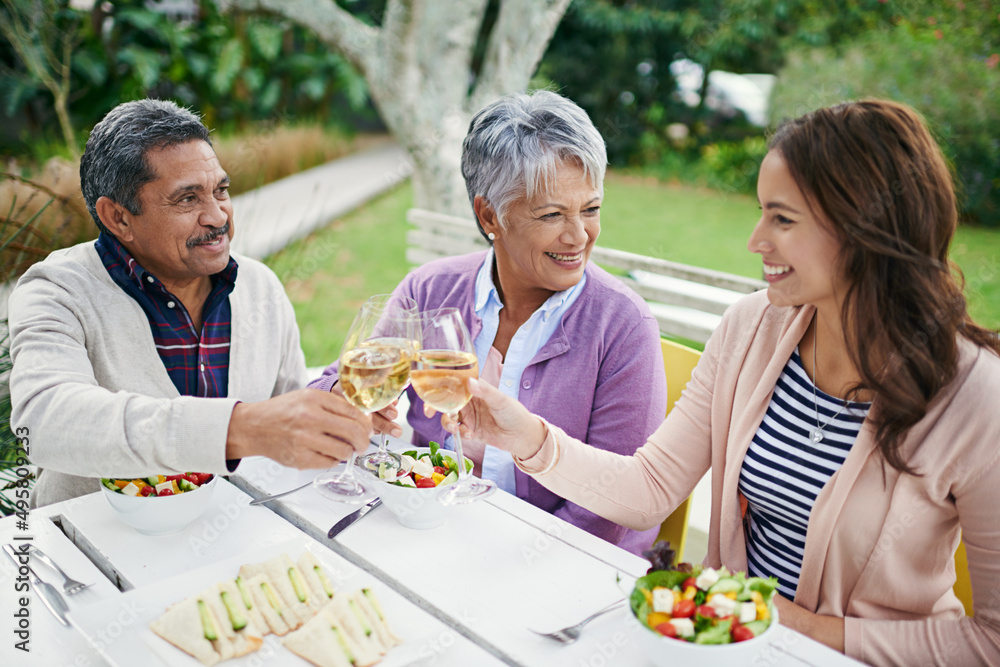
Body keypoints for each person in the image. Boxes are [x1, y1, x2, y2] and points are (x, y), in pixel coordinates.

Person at [433, 99, 1000, 665]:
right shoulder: (751, 328)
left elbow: (989, 642)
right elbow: (648, 487)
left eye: (782, 218)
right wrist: (527, 437)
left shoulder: (977, 397)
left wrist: (795, 627)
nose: (756, 240)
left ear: (863, 229)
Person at [310, 90, 667, 553]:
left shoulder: (623, 325)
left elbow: (612, 506)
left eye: (591, 209)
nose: (579, 235)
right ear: (489, 215)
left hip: (562, 563)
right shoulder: (429, 293)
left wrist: (503, 560)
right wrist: (347, 400)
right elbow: (328, 391)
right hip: (434, 531)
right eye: (552, 214)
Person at [9, 99, 372, 507]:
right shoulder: (56, 290)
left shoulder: (260, 286)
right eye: (187, 199)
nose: (218, 217)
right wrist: (237, 428)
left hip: (233, 534)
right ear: (118, 218)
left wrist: (329, 414)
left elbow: (285, 403)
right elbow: (43, 422)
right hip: (89, 552)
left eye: (221, 190)